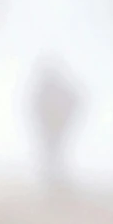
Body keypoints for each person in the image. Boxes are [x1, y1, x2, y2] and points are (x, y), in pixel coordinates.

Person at [32, 65, 81, 195]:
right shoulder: (48, 92)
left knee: (54, 155)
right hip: (53, 129)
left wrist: (62, 121)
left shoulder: (47, 92)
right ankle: (53, 182)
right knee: (53, 155)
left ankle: (54, 182)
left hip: (55, 129)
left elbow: (35, 108)